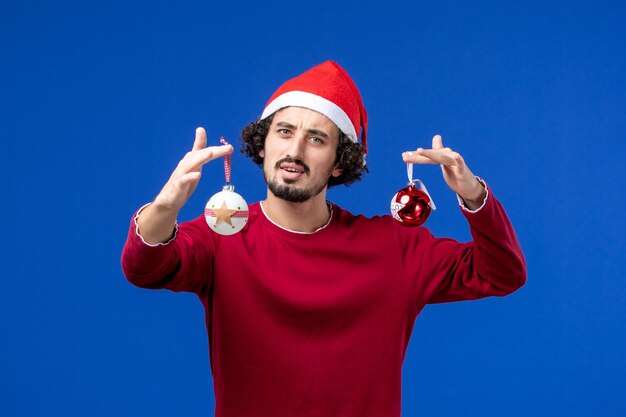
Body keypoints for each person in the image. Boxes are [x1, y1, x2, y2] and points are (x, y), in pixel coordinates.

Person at [121, 61, 526, 417]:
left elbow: (502, 273)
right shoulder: (222, 235)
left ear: (339, 164)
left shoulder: (393, 247)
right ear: (263, 145)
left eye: (316, 139)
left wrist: (472, 194)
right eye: (283, 131)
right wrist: (166, 206)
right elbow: (144, 267)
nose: (294, 150)